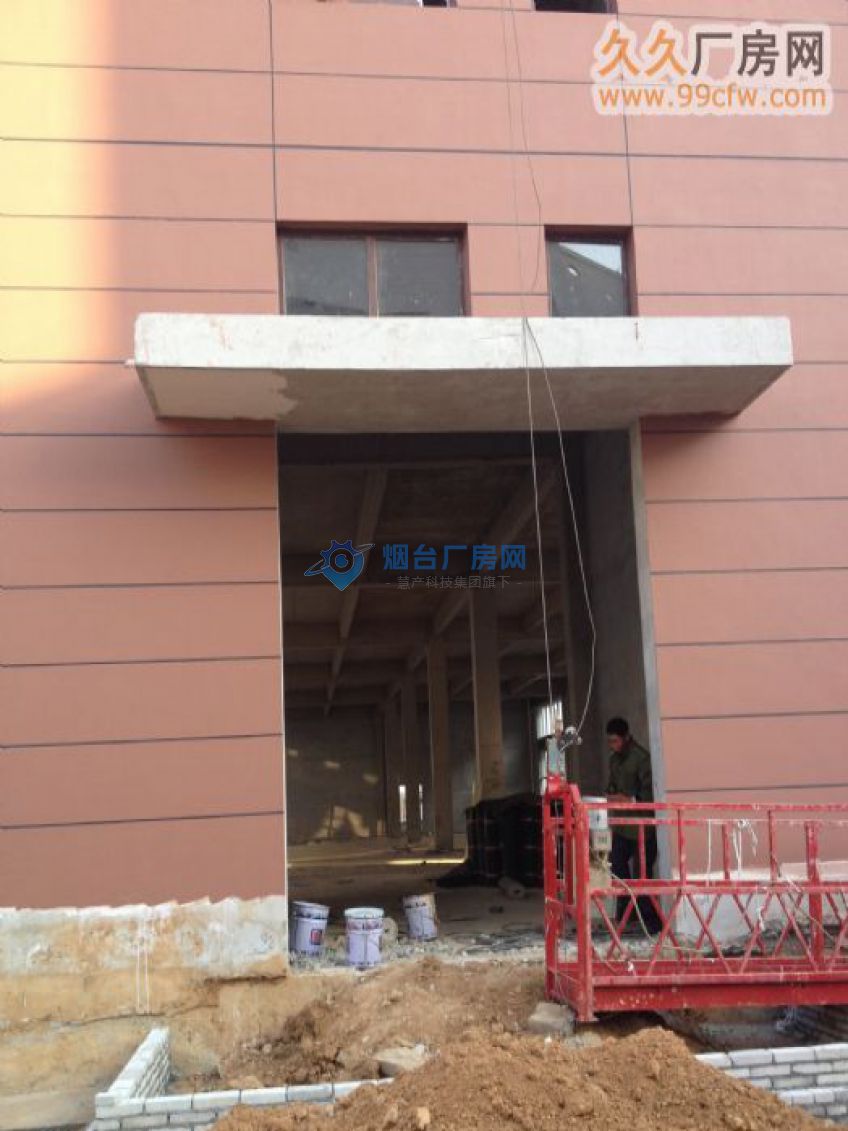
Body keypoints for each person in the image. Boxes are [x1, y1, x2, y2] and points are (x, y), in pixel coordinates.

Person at [605, 716, 662, 934]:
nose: (612, 745)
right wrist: (610, 795)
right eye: (610, 741)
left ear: (626, 738)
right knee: (617, 867)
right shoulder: (614, 760)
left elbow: (650, 792)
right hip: (622, 826)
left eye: (615, 741)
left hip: (642, 828)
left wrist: (629, 799)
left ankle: (652, 922)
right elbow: (612, 784)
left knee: (642, 876)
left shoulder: (642, 759)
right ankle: (628, 912)